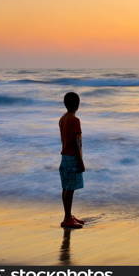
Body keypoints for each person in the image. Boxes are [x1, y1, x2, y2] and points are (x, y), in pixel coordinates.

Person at [59, 92, 85, 228]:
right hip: (72, 157)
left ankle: (68, 216)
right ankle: (67, 218)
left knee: (66, 188)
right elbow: (77, 143)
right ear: (77, 104)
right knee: (70, 190)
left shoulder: (63, 119)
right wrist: (80, 161)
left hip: (64, 157)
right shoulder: (75, 121)